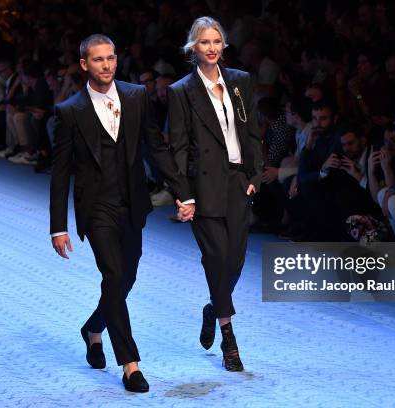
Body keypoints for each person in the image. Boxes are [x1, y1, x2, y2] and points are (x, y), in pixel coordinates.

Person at [49, 34, 183, 393]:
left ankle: (93, 328)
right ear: (84, 65)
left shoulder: (136, 96)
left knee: (126, 279)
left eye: (110, 58)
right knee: (112, 274)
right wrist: (57, 226)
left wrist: (181, 192)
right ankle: (130, 364)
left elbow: (156, 146)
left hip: (132, 203)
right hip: (96, 208)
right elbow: (61, 171)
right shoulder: (69, 111)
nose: (106, 65)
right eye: (98, 60)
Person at [166, 16, 262, 371]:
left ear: (223, 46)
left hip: (238, 183)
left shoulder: (240, 82)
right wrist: (183, 194)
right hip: (203, 189)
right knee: (217, 259)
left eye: (217, 42)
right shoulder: (181, 91)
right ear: (193, 48)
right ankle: (229, 339)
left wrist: (255, 174)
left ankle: (214, 306)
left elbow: (252, 130)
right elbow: (177, 146)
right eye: (204, 42)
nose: (211, 48)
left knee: (234, 262)